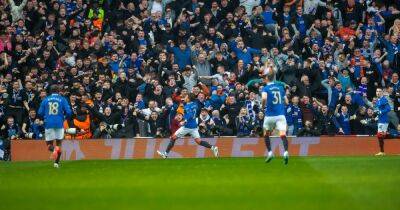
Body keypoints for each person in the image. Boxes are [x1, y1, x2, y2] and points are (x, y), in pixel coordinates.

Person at [157, 94, 219, 159]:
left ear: (188, 98)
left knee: (173, 138)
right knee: (198, 141)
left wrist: (184, 121)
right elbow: (189, 112)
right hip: (194, 126)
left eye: (186, 96)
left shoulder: (187, 106)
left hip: (187, 126)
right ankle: (213, 148)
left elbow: (190, 114)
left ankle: (165, 154)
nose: (185, 97)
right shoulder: (195, 104)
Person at [38, 85, 72, 168]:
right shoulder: (62, 99)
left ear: (50, 91)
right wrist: (64, 117)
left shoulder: (45, 100)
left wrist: (46, 116)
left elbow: (39, 112)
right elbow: (69, 112)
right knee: (58, 144)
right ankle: (56, 163)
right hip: (59, 123)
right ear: (58, 90)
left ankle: (55, 152)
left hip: (49, 124)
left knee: (49, 145)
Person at [261, 67, 289, 164]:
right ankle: (285, 152)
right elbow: (286, 101)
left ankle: (270, 152)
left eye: (264, 78)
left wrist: (262, 106)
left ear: (267, 78)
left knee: (266, 133)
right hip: (281, 115)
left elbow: (264, 98)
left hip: (270, 115)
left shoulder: (266, 88)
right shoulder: (280, 88)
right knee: (282, 134)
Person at [375, 88, 391, 156]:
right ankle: (382, 151)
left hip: (384, 120)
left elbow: (388, 108)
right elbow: (378, 110)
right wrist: (377, 115)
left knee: (380, 135)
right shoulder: (378, 100)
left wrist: (381, 112)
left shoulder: (383, 99)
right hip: (380, 119)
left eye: (379, 91)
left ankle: (382, 151)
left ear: (382, 92)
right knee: (381, 135)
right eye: (377, 91)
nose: (378, 92)